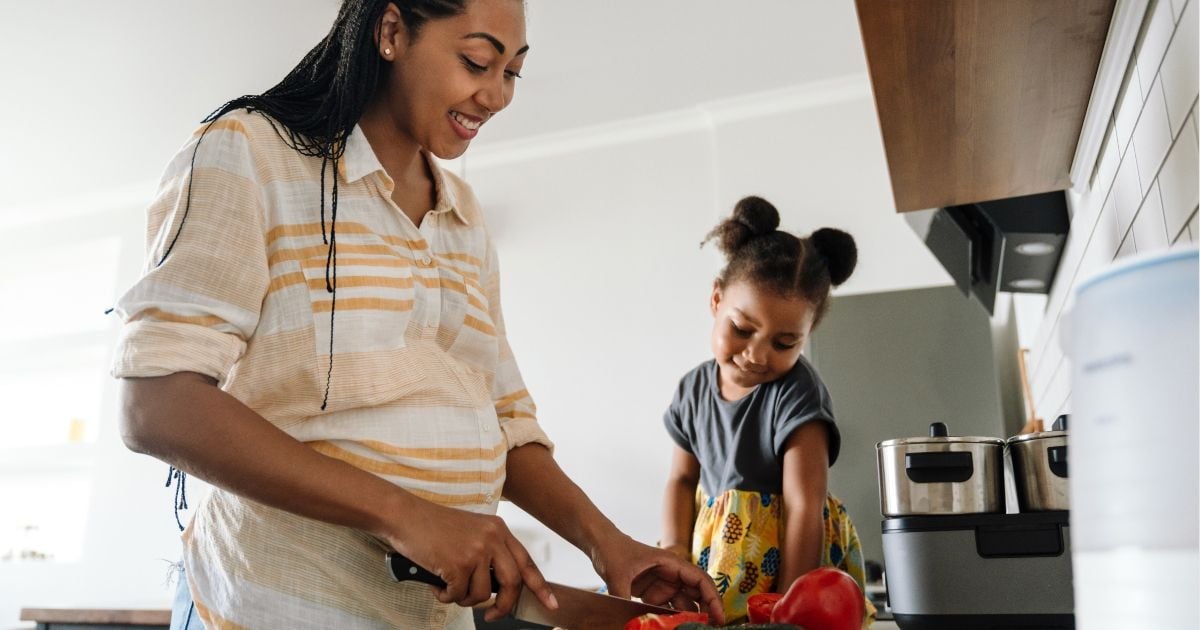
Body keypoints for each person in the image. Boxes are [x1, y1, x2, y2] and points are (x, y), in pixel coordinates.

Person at [111, 1, 724, 628]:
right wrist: (407, 515)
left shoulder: (462, 214)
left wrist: (608, 545)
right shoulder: (249, 152)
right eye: (477, 61)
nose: (497, 95)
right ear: (391, 31)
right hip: (280, 607)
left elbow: (506, 423)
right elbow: (156, 405)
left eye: (513, 72)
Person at [658, 196, 874, 623]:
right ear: (716, 301)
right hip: (717, 550)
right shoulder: (691, 390)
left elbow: (803, 504)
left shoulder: (797, 392)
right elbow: (682, 480)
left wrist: (790, 606)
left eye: (784, 342)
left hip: (790, 563)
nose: (757, 354)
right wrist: (675, 551)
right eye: (742, 329)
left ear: (807, 334)